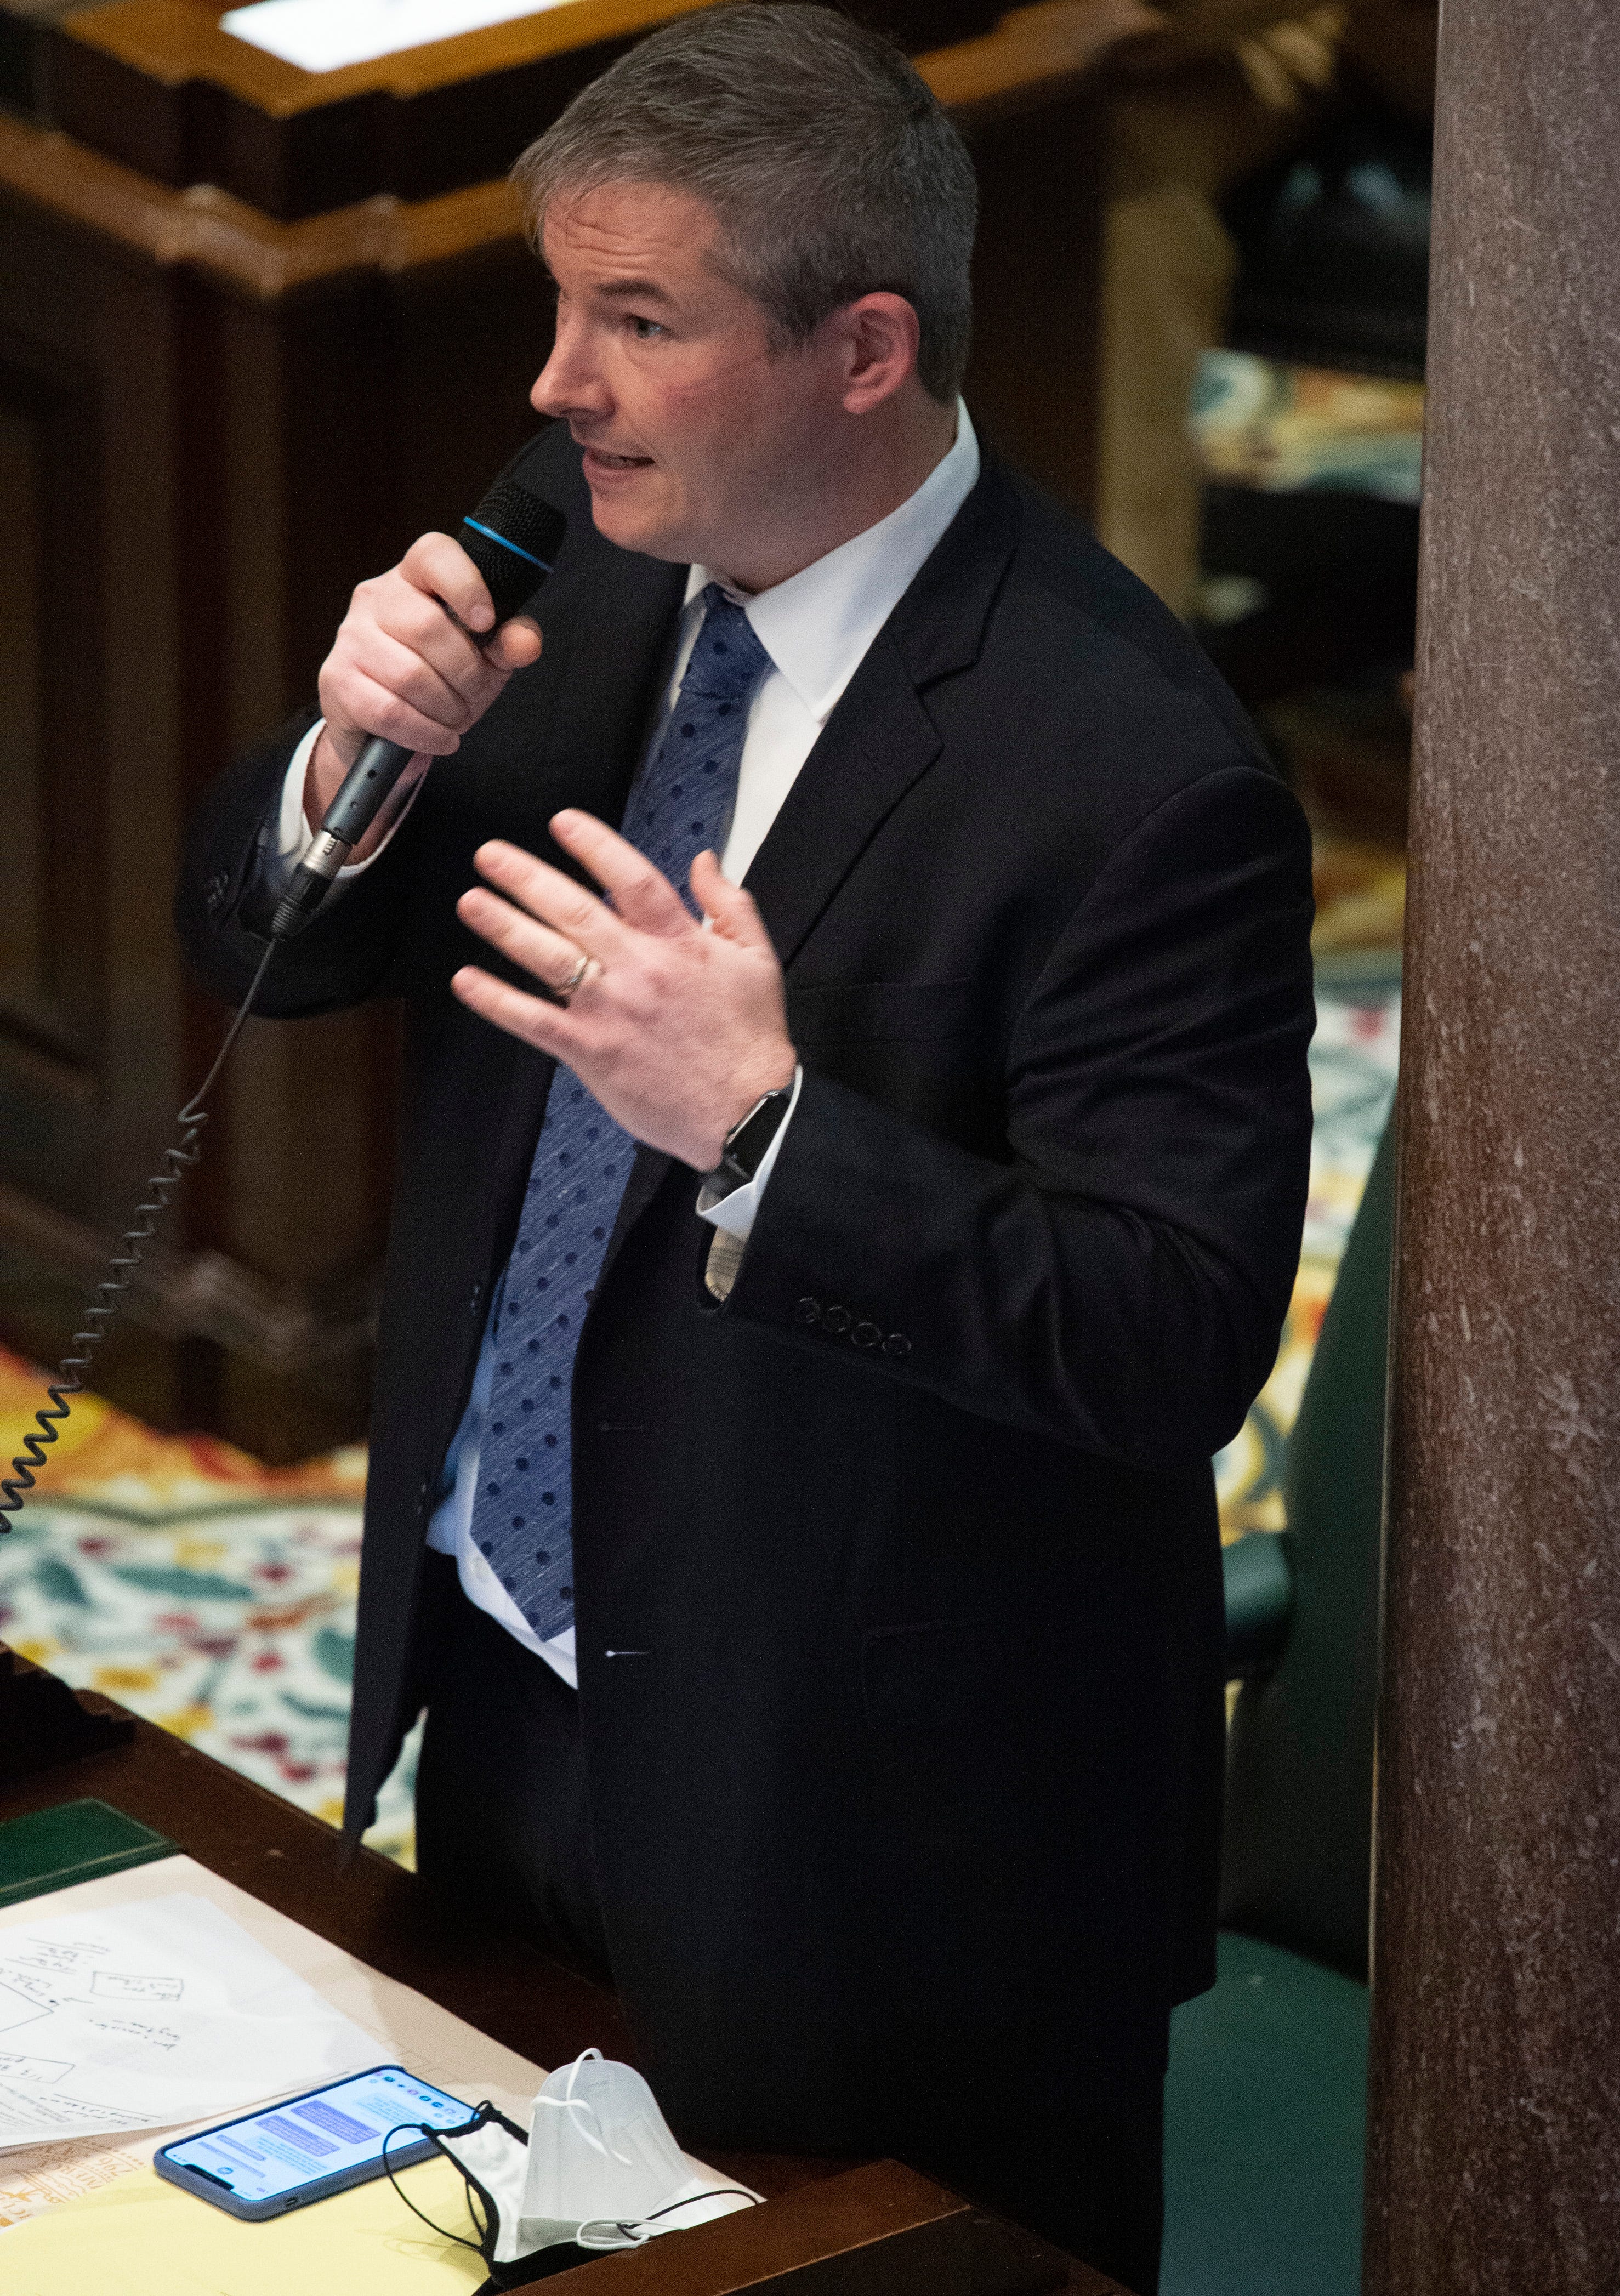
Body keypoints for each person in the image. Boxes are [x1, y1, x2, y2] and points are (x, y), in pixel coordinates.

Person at [177, 9, 1315, 2288]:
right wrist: (345, 761)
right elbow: (287, 949)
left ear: (859, 348)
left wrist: (765, 1131)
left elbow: (1163, 1334)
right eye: (563, 308)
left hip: (884, 1839)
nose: (554, 384)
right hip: (515, 1696)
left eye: (640, 322)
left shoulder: (1133, 777)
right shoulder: (592, 586)